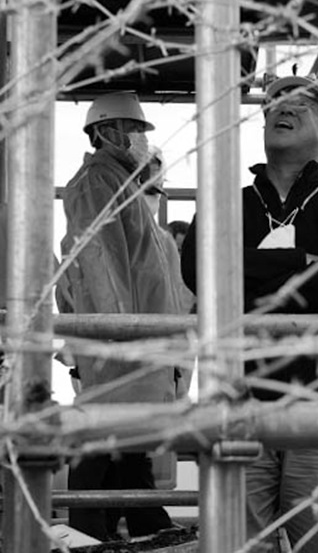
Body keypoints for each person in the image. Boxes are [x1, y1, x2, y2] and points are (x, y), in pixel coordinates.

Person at [181, 74, 318, 552]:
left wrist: (244, 272)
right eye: (276, 103)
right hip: (239, 402)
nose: (284, 107)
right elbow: (201, 272)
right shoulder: (228, 204)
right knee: (238, 545)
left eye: (304, 104)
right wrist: (302, 261)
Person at [59, 91, 184, 542]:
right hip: (123, 341)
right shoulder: (98, 181)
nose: (140, 139)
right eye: (133, 130)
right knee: (102, 440)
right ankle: (89, 532)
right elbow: (101, 260)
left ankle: (139, 525)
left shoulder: (120, 182)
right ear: (106, 132)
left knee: (125, 443)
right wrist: (119, 330)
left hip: (138, 340)